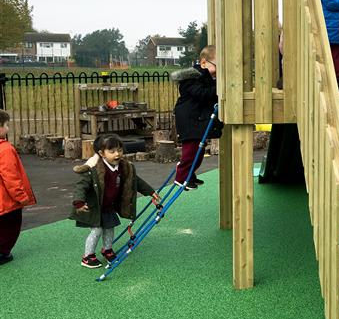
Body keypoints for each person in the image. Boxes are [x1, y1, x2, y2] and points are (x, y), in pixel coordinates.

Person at [70, 133, 159, 268]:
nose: (117, 154)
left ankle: (107, 250)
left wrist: (150, 192)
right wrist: (79, 202)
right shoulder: (93, 169)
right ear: (102, 153)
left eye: (120, 150)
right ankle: (87, 256)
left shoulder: (124, 167)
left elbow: (135, 181)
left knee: (110, 228)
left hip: (108, 206)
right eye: (112, 151)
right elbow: (81, 186)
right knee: (97, 231)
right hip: (94, 207)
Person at [171, 45, 224, 189]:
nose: (218, 70)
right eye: (216, 66)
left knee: (199, 151)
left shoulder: (207, 78)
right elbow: (202, 94)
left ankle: (190, 175)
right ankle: (181, 177)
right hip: (188, 119)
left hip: (196, 119)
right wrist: (220, 88)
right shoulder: (191, 78)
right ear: (203, 62)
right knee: (191, 150)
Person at [0, 110, 36, 265]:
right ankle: (3, 252)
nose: (8, 129)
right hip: (7, 201)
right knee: (10, 227)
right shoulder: (5, 149)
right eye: (6, 125)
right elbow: (11, 177)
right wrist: (21, 197)